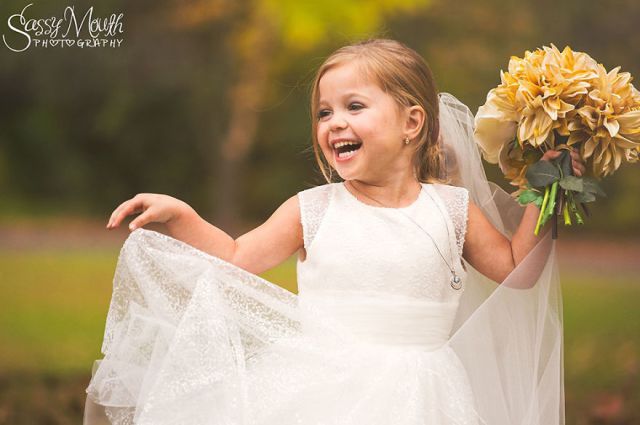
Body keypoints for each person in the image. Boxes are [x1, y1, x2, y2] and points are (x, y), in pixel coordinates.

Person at [84, 39, 585, 425]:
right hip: (320, 387)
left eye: (354, 107)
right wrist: (183, 217)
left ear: (412, 122)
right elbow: (236, 256)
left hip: (425, 393)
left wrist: (550, 193)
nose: (334, 123)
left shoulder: (453, 210)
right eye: (325, 112)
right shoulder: (313, 210)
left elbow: (516, 271)